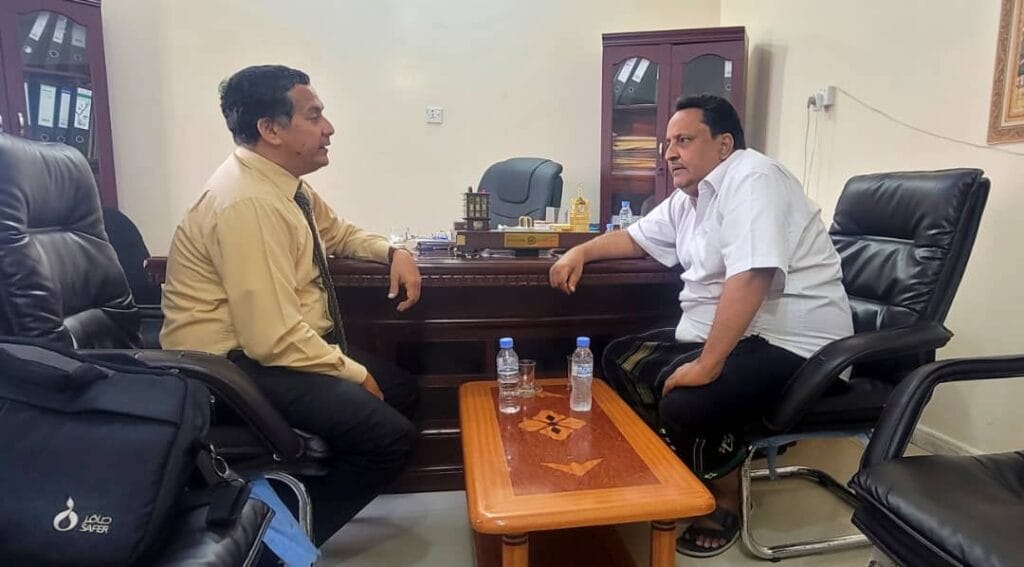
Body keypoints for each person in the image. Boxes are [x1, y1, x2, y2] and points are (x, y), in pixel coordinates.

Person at [549, 94, 853, 557]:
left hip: (798, 344)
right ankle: (694, 460)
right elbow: (635, 238)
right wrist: (581, 251)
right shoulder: (691, 198)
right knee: (620, 358)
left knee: (689, 402)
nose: (669, 153)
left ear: (724, 144)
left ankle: (725, 499)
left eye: (684, 140)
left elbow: (751, 277)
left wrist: (707, 365)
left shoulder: (753, 178)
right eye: (668, 143)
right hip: (740, 333)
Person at [160, 64, 421, 550]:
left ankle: (289, 502)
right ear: (271, 129)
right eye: (314, 116)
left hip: (268, 349)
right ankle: (270, 546)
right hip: (229, 367)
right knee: (390, 438)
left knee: (400, 389)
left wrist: (393, 251)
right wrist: (354, 374)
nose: (329, 128)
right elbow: (272, 339)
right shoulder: (248, 202)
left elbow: (339, 234)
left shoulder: (283, 185)